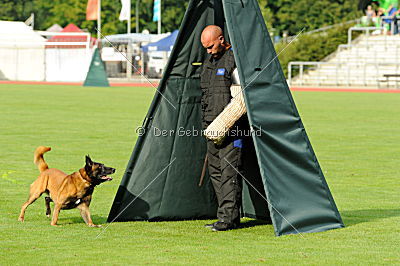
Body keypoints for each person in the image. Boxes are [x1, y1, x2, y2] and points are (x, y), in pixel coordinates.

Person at [199, 25, 248, 231]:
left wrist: (222, 126)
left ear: (221, 39)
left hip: (231, 129)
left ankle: (228, 220)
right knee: (216, 173)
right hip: (210, 127)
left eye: (211, 46)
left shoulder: (233, 60)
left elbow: (241, 101)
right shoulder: (209, 61)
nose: (208, 51)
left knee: (230, 174)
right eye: (205, 48)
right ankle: (224, 217)